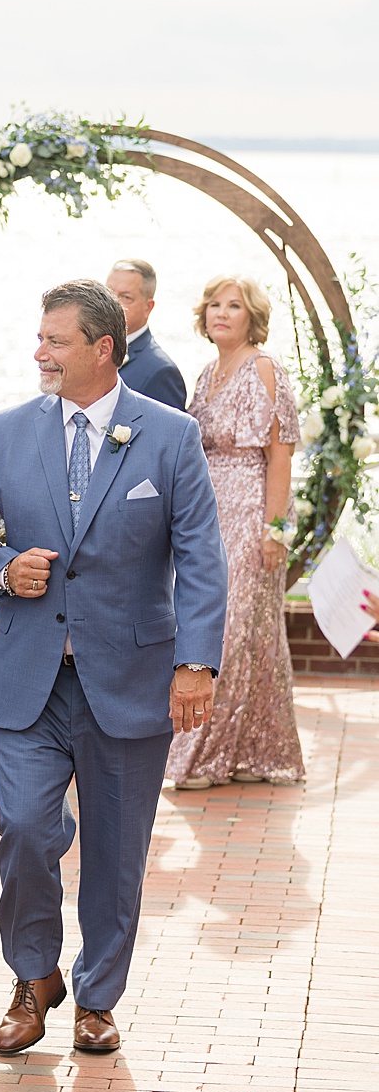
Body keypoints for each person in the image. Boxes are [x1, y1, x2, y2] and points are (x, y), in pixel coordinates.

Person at [0, 279, 227, 1055]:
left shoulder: (169, 434)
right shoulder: (5, 431)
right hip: (29, 675)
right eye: (40, 338)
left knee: (119, 852)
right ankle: (32, 978)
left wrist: (196, 663)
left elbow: (199, 555)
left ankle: (98, 997)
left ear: (102, 348)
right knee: (25, 827)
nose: (40, 353)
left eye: (55, 341)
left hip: (130, 677)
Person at [166, 275, 304, 788]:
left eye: (234, 306)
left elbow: (281, 457)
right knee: (250, 635)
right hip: (209, 513)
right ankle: (255, 752)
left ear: (253, 318)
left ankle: (205, 755)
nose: (221, 313)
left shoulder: (264, 369)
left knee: (234, 631)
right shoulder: (207, 374)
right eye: (214, 305)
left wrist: (275, 530)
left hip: (250, 514)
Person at [107, 259, 187, 409]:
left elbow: (169, 431)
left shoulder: (161, 372)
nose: (113, 304)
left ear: (147, 307)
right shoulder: (89, 350)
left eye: (125, 297)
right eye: (108, 293)